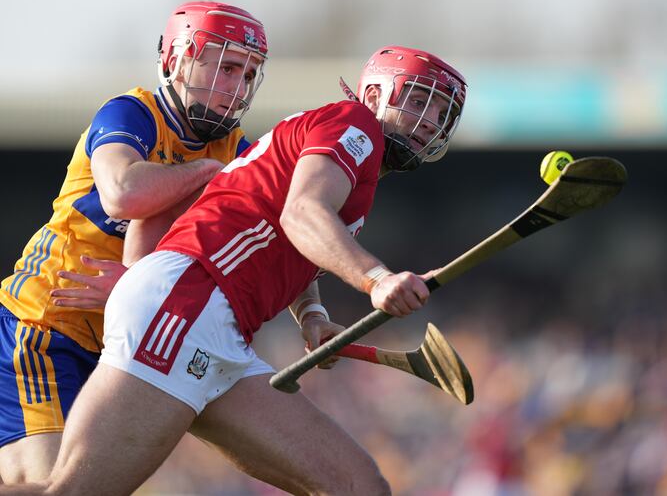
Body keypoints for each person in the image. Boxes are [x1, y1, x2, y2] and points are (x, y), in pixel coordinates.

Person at [0, 45, 467, 495]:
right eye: (418, 100)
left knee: (358, 485)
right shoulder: (354, 124)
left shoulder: (345, 166)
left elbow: (296, 245)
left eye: (440, 113)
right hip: (188, 306)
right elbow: (302, 215)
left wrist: (313, 320)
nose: (428, 121)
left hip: (218, 329)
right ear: (372, 95)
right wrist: (376, 278)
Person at [0, 1, 268, 483]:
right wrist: (206, 171)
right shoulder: (133, 113)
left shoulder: (238, 149)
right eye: (226, 68)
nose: (237, 88)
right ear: (176, 61)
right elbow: (124, 194)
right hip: (44, 327)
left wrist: (311, 313)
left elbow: (278, 229)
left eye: (248, 75)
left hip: (118, 350)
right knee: (50, 486)